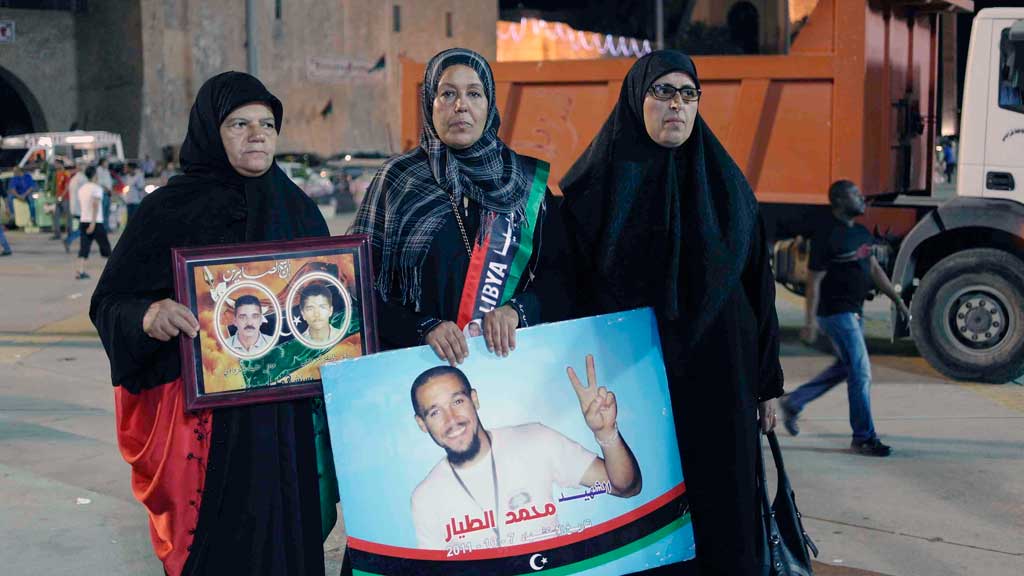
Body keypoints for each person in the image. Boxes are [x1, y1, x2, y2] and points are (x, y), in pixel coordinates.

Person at [90, 72, 334, 576]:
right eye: (239, 124)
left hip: (283, 419)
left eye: (267, 123)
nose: (257, 134)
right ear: (209, 131)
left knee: (289, 534)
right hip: (208, 427)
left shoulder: (299, 210)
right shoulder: (167, 209)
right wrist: (148, 315)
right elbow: (110, 301)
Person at [560, 51, 783, 575]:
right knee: (648, 510)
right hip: (635, 384)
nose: (676, 106)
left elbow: (759, 287)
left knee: (723, 510)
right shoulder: (593, 192)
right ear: (636, 100)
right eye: (662, 92)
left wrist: (767, 382)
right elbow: (567, 290)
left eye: (688, 94)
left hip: (721, 381)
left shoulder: (729, 189)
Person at [350, 47, 572, 365]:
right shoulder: (397, 179)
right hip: (417, 366)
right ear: (430, 104)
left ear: (489, 105)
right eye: (447, 94)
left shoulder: (524, 182)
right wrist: (422, 327)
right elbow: (358, 284)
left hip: (515, 368)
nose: (461, 106)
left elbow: (562, 280)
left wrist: (517, 311)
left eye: (474, 94)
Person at [409, 358, 641, 550]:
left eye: (457, 401)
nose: (451, 420)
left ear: (475, 399)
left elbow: (626, 487)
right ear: (422, 424)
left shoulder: (535, 441)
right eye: (435, 412)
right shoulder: (426, 497)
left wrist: (605, 432)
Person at [779, 180, 909, 457]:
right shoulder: (827, 236)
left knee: (846, 368)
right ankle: (863, 438)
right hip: (835, 314)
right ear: (838, 200)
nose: (862, 198)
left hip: (855, 312)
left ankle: (794, 402)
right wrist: (809, 322)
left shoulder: (861, 232)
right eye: (855, 194)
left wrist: (897, 300)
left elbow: (873, 269)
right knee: (860, 372)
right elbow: (814, 282)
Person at [75, 166, 111, 280]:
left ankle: (80, 271)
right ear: (95, 175)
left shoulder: (82, 189)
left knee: (84, 247)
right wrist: (93, 223)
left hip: (84, 220)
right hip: (95, 222)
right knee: (106, 247)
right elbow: (95, 205)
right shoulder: (96, 188)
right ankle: (110, 273)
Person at [64, 162, 87, 253]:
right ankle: (69, 239)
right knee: (84, 228)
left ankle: (81, 245)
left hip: (75, 207)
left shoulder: (74, 179)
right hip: (81, 207)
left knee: (82, 227)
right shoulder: (82, 178)